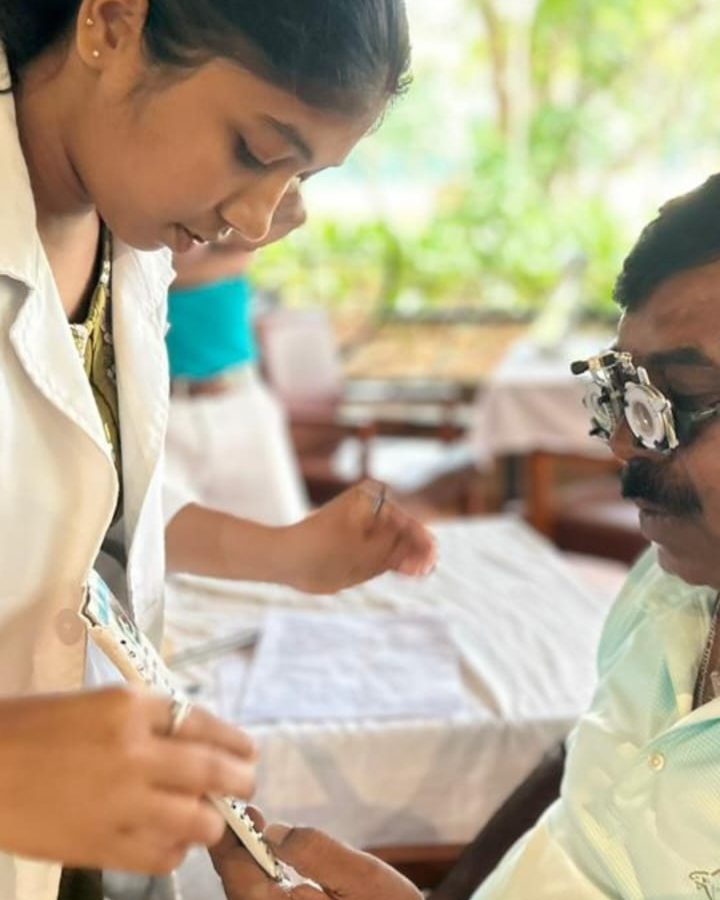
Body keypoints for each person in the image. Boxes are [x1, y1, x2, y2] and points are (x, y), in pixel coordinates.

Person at [0, 0, 436, 897]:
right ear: (112, 23)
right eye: (257, 149)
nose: (261, 217)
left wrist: (284, 556)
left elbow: (81, 503)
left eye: (303, 178)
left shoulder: (134, 236)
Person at [208, 173, 720, 900]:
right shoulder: (669, 587)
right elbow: (585, 760)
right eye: (620, 393)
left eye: (683, 400)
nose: (625, 448)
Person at [165, 239, 308, 527]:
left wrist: (166, 280)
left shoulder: (237, 251)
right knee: (171, 535)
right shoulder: (138, 269)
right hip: (169, 413)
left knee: (281, 525)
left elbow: (247, 250)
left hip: (239, 404)